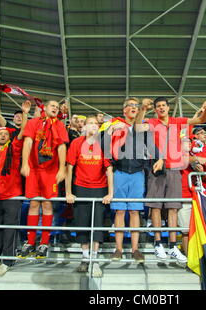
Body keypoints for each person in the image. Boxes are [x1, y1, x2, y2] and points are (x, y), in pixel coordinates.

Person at [135, 97, 206, 263]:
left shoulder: (178, 121)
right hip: (157, 167)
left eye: (163, 105)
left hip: (175, 169)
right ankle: (157, 243)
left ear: (168, 108)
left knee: (173, 208)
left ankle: (172, 246)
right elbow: (137, 127)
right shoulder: (153, 121)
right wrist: (142, 109)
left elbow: (201, 119)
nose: (161, 108)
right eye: (158, 106)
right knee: (155, 206)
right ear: (155, 109)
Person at [106, 98, 161, 264]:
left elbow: (151, 145)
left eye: (136, 106)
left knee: (135, 211)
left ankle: (135, 249)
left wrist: (160, 158)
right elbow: (101, 143)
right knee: (120, 211)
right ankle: (119, 249)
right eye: (130, 105)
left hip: (138, 173)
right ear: (124, 110)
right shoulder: (114, 124)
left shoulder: (142, 127)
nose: (133, 108)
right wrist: (109, 130)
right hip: (119, 172)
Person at [0, 101, 30, 276]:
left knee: (10, 229)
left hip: (12, 195)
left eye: (5, 134)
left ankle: (7, 260)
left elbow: (23, 132)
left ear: (9, 137)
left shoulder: (15, 148)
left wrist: (24, 114)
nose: (2, 135)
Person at [19, 100, 69, 259]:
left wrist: (62, 169)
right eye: (52, 106)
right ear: (45, 108)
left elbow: (62, 146)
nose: (54, 108)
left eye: (56, 106)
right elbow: (27, 142)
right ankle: (30, 241)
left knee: (47, 204)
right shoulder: (33, 122)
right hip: (33, 169)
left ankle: (44, 242)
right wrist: (25, 164)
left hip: (51, 170)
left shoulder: (60, 125)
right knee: (33, 203)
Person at [65, 116, 113, 277]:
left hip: (99, 188)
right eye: (90, 123)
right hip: (81, 188)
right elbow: (69, 169)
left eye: (95, 123)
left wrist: (110, 192)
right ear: (84, 127)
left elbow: (109, 170)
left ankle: (95, 260)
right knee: (82, 224)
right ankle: (85, 259)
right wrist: (68, 192)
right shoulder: (76, 143)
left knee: (97, 224)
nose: (93, 125)